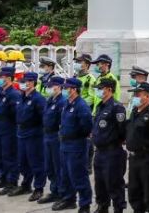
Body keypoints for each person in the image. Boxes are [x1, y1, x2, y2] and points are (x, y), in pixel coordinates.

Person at [54, 77, 94, 213]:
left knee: (79, 175)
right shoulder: (67, 103)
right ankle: (68, 199)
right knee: (65, 174)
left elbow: (87, 126)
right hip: (65, 144)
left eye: (67, 88)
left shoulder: (81, 106)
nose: (64, 90)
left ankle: (85, 204)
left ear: (74, 90)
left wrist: (77, 136)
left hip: (77, 144)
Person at [125, 82, 149, 213]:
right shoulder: (135, 112)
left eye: (137, 94)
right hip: (134, 159)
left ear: (147, 97)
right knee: (134, 193)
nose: (134, 97)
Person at [92, 78, 128, 213]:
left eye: (100, 88)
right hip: (99, 152)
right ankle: (102, 206)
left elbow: (122, 130)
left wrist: (113, 141)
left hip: (112, 152)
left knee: (114, 183)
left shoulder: (117, 107)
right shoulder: (100, 105)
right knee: (100, 183)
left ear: (109, 90)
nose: (98, 91)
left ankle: (118, 208)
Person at [13, 71, 47, 200]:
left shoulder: (38, 99)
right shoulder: (21, 96)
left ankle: (39, 188)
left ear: (33, 83)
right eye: (24, 81)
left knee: (36, 162)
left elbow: (43, 118)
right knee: (22, 161)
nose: (25, 83)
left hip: (34, 134)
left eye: (28, 81)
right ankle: (26, 184)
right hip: (21, 133)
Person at [0, 65, 22, 194]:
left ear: (9, 78)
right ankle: (3, 177)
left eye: (2, 77)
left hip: (9, 130)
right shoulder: (1, 92)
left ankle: (12, 181)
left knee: (9, 156)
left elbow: (16, 115)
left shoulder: (13, 94)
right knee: (0, 154)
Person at [39, 75, 68, 204]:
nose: (49, 88)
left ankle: (62, 193)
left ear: (60, 87)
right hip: (47, 136)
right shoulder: (50, 100)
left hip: (56, 137)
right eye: (49, 86)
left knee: (58, 166)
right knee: (49, 166)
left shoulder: (62, 102)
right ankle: (54, 190)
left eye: (52, 86)